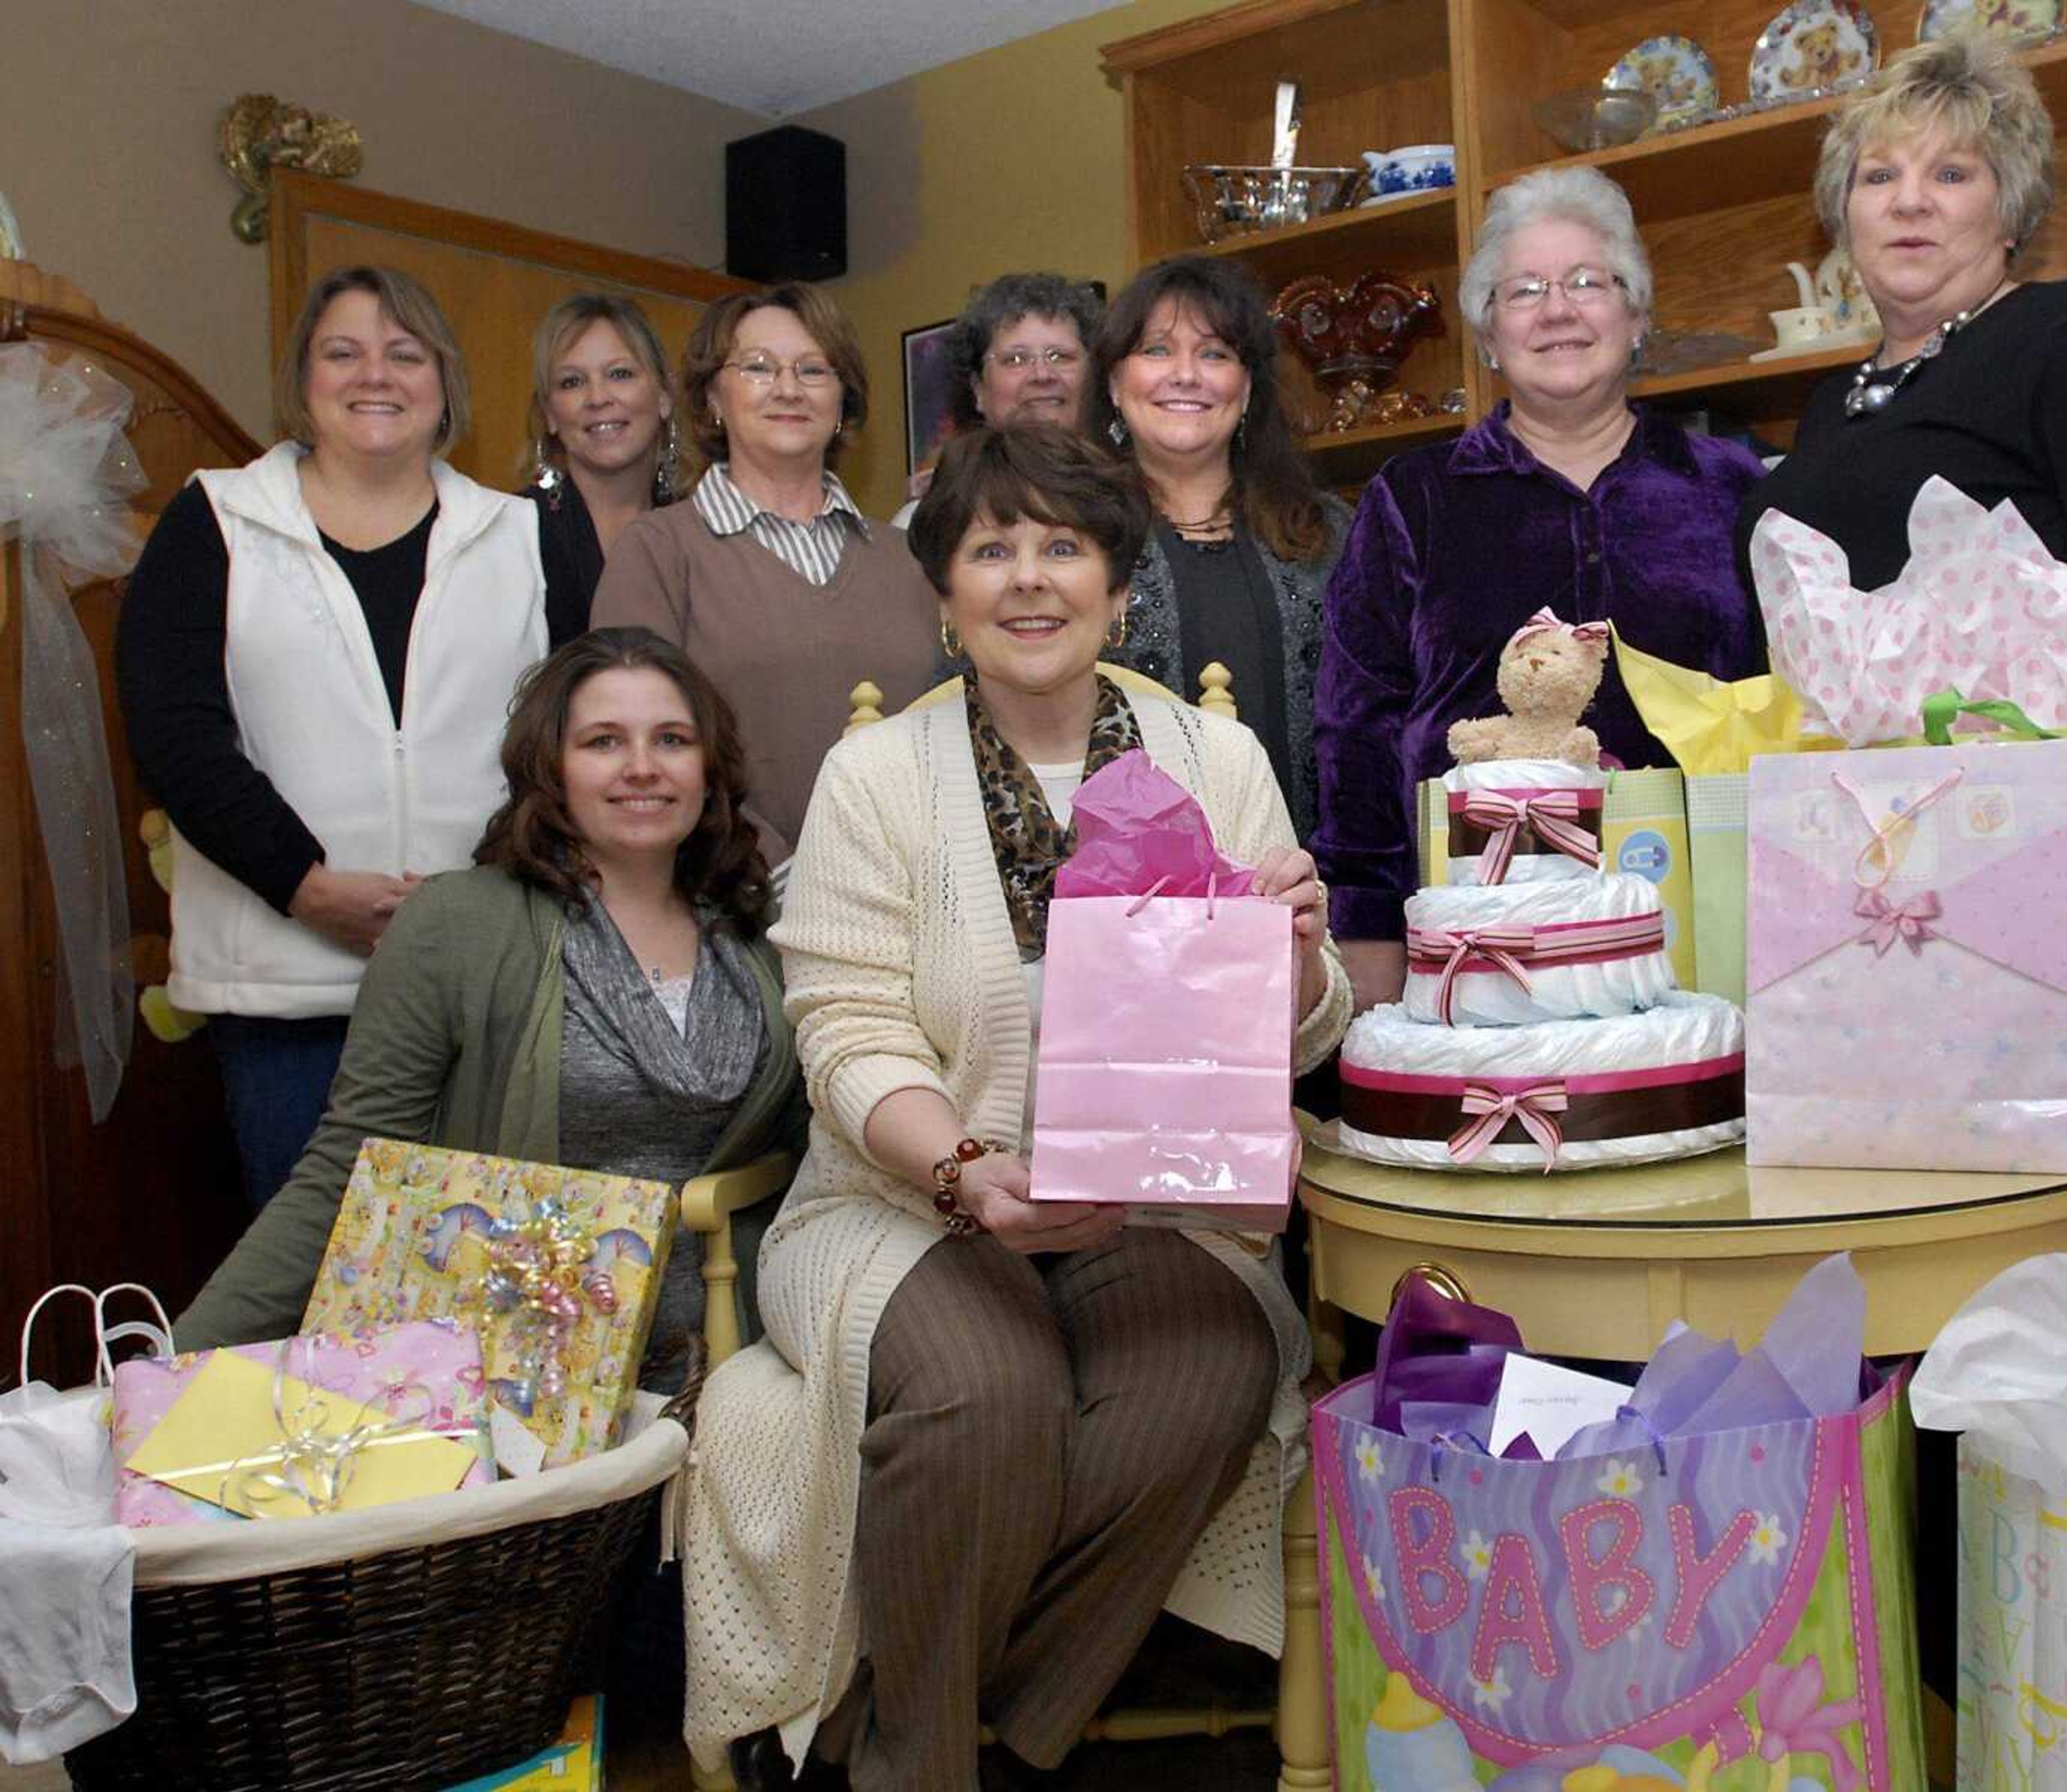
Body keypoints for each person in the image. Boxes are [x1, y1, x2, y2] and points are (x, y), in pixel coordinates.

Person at [680, 425, 1352, 1789]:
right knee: (993, 1390)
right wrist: (966, 1174)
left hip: (1149, 1210)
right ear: (947, 592)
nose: (1030, 579)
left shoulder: (1213, 761)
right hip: (904, 1210)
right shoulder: (874, 779)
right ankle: (924, 1765)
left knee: (1214, 1374)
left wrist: (1294, 963)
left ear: (1118, 586)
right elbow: (849, 1036)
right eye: (993, 548)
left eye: (1065, 546)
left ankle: (935, 1714)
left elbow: (1301, 1025)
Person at [1742, 32, 2067, 1264]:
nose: (1910, 199)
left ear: (2011, 202)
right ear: (1839, 212)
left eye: (1952, 172)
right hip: (1895, 867)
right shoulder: (1831, 403)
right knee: (1919, 1230)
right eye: (1879, 175)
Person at [175, 626, 799, 1360]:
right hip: (515, 1373)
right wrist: (171, 1362)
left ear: (707, 767)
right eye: (602, 742)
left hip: (735, 1354)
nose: (641, 767)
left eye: (671, 739)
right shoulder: (457, 925)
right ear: (551, 768)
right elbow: (348, 1170)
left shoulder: (763, 941)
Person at [118, 264, 555, 1212]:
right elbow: (174, 728)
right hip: (285, 994)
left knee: (479, 1288)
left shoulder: (522, 536)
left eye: (407, 353)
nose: (377, 375)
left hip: (478, 991)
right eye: (343, 352)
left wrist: (479, 902)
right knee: (313, 1298)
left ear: (445, 384)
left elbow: (571, 744)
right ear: (302, 381)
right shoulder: (217, 519)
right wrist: (303, 884)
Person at [1313, 168, 1767, 1010]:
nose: (1558, 310)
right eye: (1523, 291)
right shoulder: (1413, 497)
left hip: (1701, 930)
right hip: (1474, 942)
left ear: (1636, 318)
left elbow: (1784, 714)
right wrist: (1368, 933)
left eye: (1589, 282)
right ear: (1488, 336)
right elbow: (1356, 731)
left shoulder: (1734, 487)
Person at [592, 282, 936, 867]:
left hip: (912, 891)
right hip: (732, 901)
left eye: (814, 370)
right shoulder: (657, 552)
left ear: (842, 403)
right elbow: (633, 746)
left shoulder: (910, 559)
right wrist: (776, 875)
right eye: (757, 367)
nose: (788, 388)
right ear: (711, 400)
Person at [1083, 254, 1350, 843]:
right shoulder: (1068, 536)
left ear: (1248, 386)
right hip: (1125, 901)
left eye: (1214, 354)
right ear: (1113, 384)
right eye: (1156, 351)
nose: (1186, 375)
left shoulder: (1330, 534)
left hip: (1314, 895)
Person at [523, 292, 682, 640]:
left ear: (664, 396)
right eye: (572, 382)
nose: (598, 398)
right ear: (550, 413)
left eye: (620, 374)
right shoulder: (514, 535)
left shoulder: (702, 532)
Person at [892, 270, 1103, 523]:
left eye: (1060, 356)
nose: (1042, 374)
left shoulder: (1132, 503)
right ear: (978, 390)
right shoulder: (932, 518)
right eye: (1015, 360)